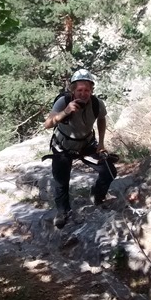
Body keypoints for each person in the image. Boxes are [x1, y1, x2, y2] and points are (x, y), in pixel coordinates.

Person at [44, 69, 118, 229]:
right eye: (80, 90)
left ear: (92, 90)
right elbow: (48, 124)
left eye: (87, 90)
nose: (83, 93)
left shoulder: (97, 103)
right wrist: (65, 112)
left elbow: (101, 120)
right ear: (73, 90)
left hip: (86, 144)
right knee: (61, 182)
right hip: (63, 147)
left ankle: (97, 196)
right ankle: (63, 211)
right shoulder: (63, 101)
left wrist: (101, 143)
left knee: (109, 171)